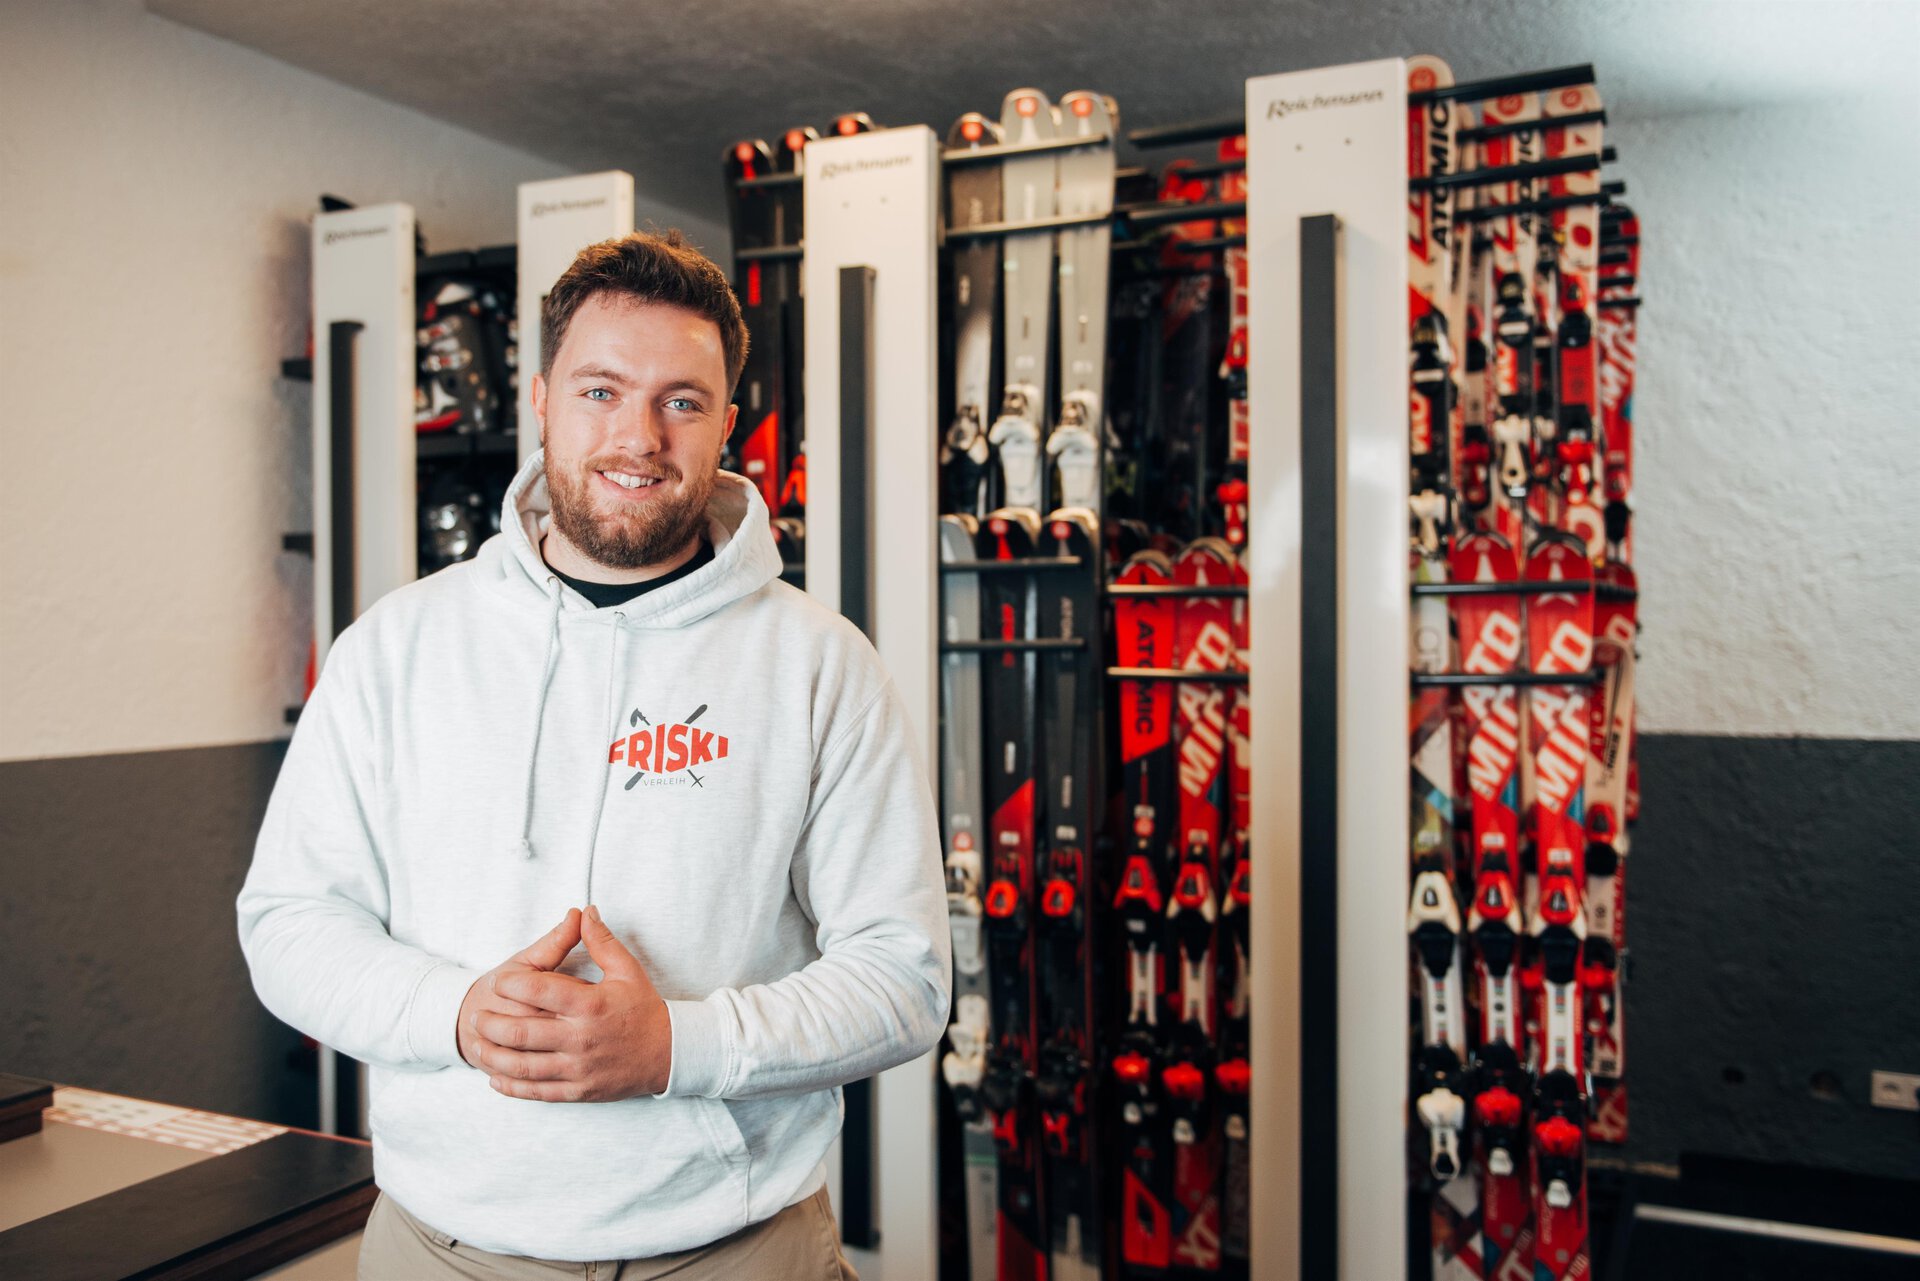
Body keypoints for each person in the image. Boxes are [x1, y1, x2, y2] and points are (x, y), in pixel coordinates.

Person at [237, 230, 950, 1280]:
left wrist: (676, 1049)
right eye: (601, 391)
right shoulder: (395, 648)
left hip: (734, 1248)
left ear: (727, 425)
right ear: (540, 401)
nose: (638, 437)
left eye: (681, 401)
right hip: (443, 1247)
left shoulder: (820, 665)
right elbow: (289, 923)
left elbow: (903, 978)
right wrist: (457, 1014)